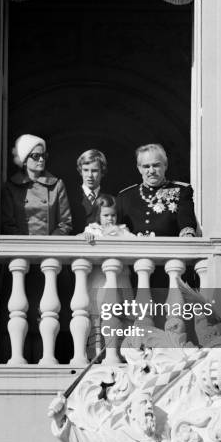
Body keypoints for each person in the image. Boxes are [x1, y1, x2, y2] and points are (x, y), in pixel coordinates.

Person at [79, 194, 135, 357]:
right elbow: (81, 241)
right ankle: (96, 354)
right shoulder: (92, 230)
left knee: (122, 316)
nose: (110, 219)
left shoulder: (122, 229)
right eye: (105, 215)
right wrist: (86, 236)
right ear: (98, 215)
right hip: (99, 282)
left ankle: (122, 352)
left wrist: (119, 233)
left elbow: (135, 243)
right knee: (98, 318)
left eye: (113, 215)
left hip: (121, 281)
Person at [116, 143, 197, 238]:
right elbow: (115, 229)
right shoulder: (125, 196)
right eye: (146, 166)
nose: (151, 171)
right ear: (139, 168)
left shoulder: (181, 191)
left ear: (165, 165)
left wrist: (187, 236)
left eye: (156, 165)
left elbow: (186, 224)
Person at [1, 134, 72, 235]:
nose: (41, 160)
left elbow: (65, 223)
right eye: (36, 156)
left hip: (48, 247)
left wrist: (49, 243)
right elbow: (7, 225)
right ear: (24, 159)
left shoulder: (57, 185)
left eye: (44, 156)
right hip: (22, 247)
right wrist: (24, 245)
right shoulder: (11, 187)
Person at [71, 149, 108, 234]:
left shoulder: (110, 198)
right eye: (86, 170)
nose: (90, 175)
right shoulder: (70, 197)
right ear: (80, 171)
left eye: (94, 171)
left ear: (102, 172)